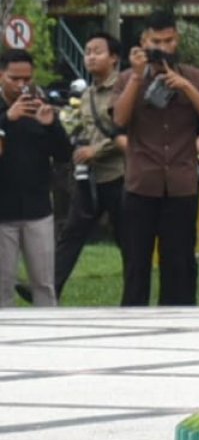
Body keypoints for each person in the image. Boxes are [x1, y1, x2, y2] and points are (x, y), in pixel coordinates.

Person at [112, 11, 199, 306]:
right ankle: (133, 327)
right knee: (136, 265)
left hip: (181, 184)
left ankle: (179, 323)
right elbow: (119, 121)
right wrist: (137, 76)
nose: (163, 47)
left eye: (169, 40)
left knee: (180, 265)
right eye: (156, 41)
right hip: (141, 184)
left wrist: (185, 86)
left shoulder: (195, 77)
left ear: (178, 40)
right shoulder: (126, 78)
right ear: (143, 42)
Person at [55, 34, 127, 298]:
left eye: (97, 51)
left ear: (114, 57)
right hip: (91, 179)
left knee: (127, 241)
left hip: (120, 176)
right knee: (71, 232)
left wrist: (95, 151)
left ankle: (133, 297)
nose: (90, 57)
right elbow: (80, 130)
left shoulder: (123, 89)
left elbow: (127, 133)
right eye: (87, 52)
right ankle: (50, 289)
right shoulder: (86, 95)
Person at [0, 49, 72, 306]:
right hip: (2, 212)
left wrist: (52, 124)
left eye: (26, 79)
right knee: (3, 284)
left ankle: (47, 336)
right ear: (1, 76)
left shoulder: (39, 107)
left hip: (37, 209)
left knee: (43, 284)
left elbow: (64, 154)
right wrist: (7, 119)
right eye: (14, 79)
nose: (21, 85)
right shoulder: (5, 112)